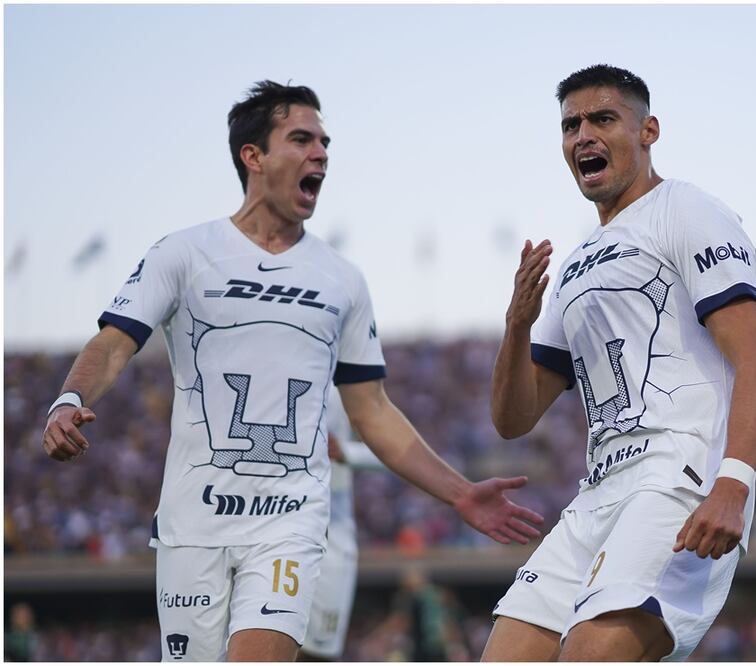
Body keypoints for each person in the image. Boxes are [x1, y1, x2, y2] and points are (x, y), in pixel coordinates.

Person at [41, 80, 543, 662]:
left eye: (324, 143)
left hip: (290, 524)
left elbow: (372, 410)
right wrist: (69, 399)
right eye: (302, 139)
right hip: (194, 523)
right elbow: (114, 344)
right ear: (253, 156)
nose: (321, 153)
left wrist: (459, 494)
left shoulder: (341, 279)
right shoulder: (183, 253)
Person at [482, 64, 756, 661]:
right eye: (571, 125)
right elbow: (513, 419)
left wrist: (733, 484)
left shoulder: (685, 209)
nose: (583, 135)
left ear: (648, 131)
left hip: (678, 478)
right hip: (597, 493)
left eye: (602, 119)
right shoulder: (576, 263)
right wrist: (516, 326)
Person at [299, 390, 385, 661]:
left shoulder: (343, 383)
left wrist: (345, 451)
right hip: (268, 526)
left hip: (331, 535)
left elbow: (396, 449)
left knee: (318, 653)